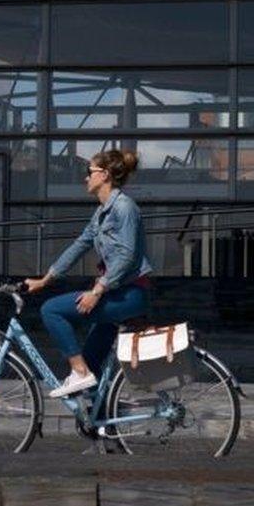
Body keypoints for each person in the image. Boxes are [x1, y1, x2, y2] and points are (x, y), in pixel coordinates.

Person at [24, 149, 153, 398]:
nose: (85, 178)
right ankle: (101, 422)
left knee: (51, 310)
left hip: (129, 294)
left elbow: (126, 256)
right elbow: (80, 245)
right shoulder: (102, 212)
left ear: (104, 175)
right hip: (118, 292)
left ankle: (79, 372)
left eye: (89, 172)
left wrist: (97, 290)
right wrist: (45, 280)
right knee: (91, 379)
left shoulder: (124, 208)